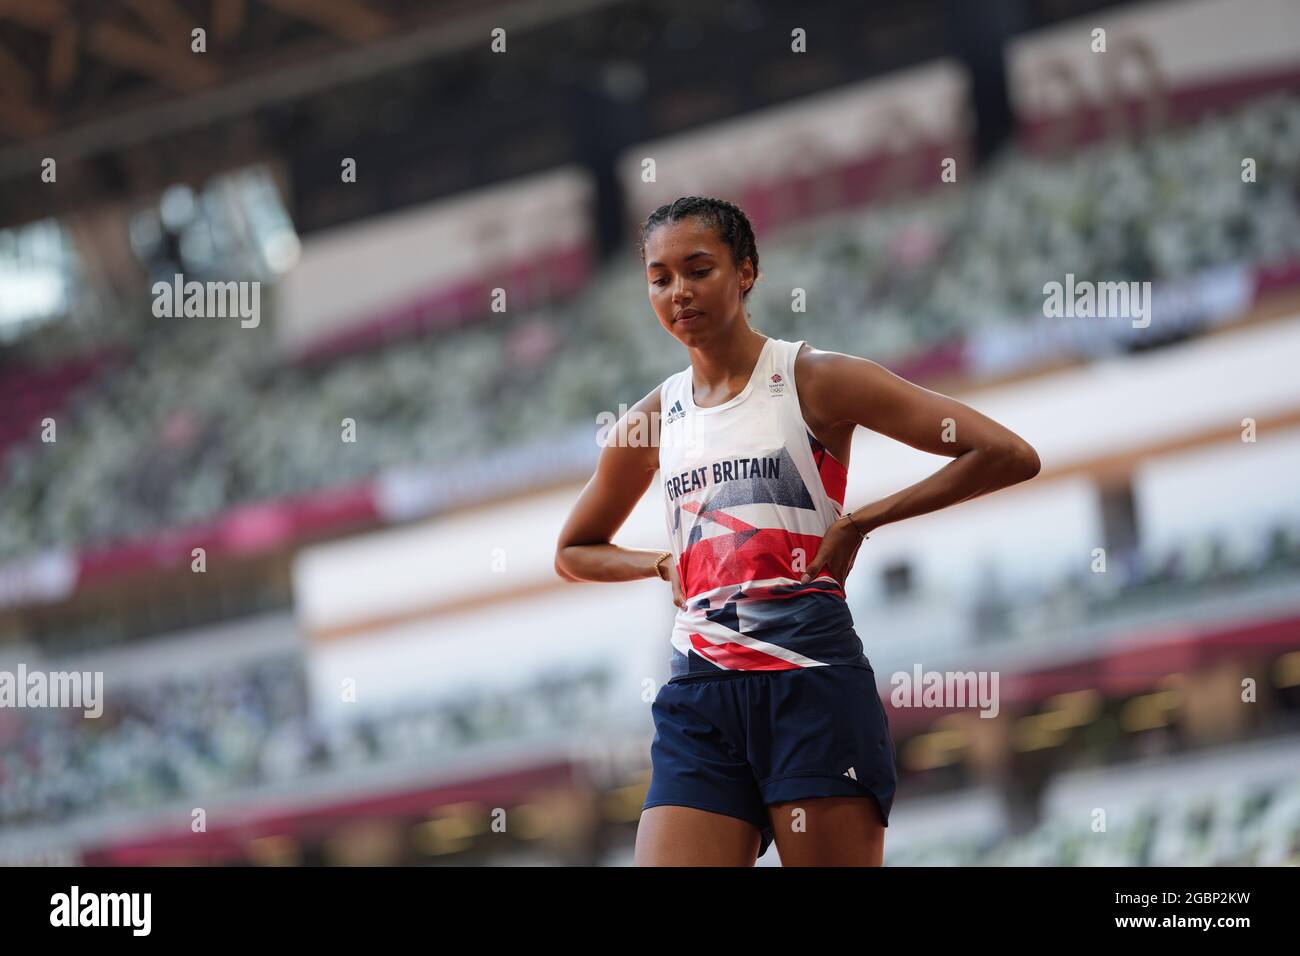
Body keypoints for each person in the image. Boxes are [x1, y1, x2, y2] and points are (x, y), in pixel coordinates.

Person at [554, 196, 1040, 865]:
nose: (679, 292)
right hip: (700, 694)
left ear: (746, 271)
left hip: (810, 682)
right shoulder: (652, 418)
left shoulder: (813, 379)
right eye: (659, 278)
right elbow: (574, 551)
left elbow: (1006, 453)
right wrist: (658, 566)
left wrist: (863, 520)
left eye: (699, 269)